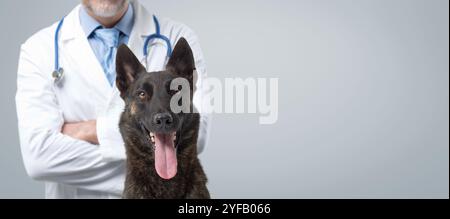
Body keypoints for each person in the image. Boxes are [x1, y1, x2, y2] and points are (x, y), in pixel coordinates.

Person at [15, 0, 210, 198]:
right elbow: (39, 158)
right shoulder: (38, 49)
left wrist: (90, 130)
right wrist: (162, 174)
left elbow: (197, 133)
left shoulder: (177, 35)